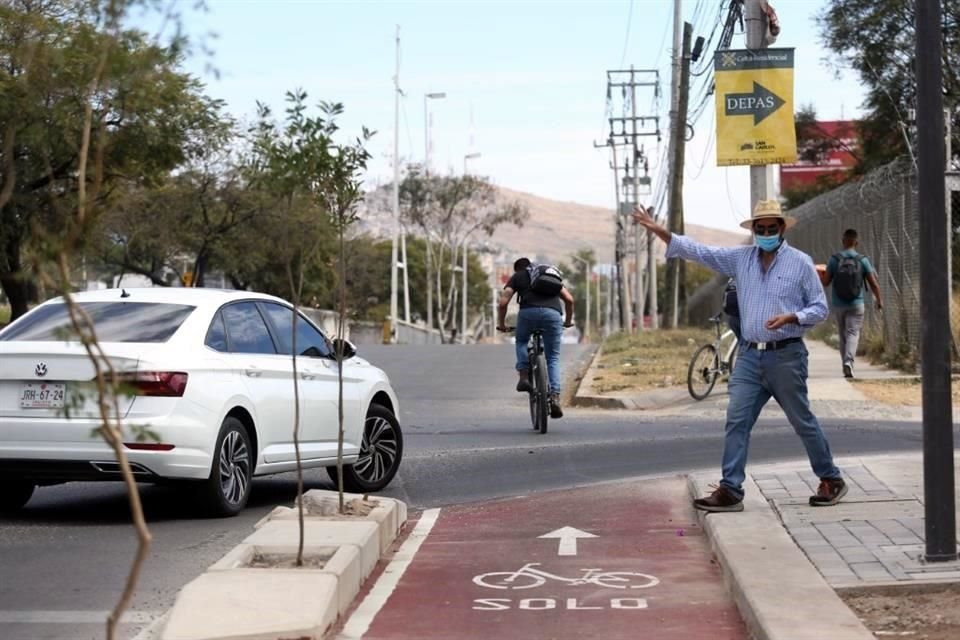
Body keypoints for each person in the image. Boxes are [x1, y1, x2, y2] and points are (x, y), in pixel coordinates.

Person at [633, 200, 847, 512]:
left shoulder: (800, 263)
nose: (765, 234)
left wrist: (791, 317)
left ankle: (831, 478)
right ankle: (731, 489)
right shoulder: (741, 259)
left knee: (802, 420)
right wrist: (660, 232)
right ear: (753, 231)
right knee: (737, 420)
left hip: (786, 356)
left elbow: (819, 308)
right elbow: (700, 251)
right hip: (749, 357)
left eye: (771, 229)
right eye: (759, 230)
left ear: (782, 229)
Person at [497, 257, 575, 419]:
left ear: (518, 268)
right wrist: (567, 322)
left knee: (522, 341)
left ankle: (524, 376)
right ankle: (554, 396)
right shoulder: (547, 274)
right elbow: (569, 299)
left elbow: (503, 302)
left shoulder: (518, 276)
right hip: (553, 315)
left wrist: (502, 324)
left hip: (528, 314)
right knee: (552, 358)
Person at [820, 229, 883, 379]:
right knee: (853, 333)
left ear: (843, 241)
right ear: (856, 242)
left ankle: (845, 365)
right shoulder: (862, 260)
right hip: (857, 303)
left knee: (843, 335)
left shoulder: (834, 259)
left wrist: (821, 273)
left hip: (839, 304)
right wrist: (879, 301)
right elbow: (874, 284)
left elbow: (826, 282)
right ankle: (849, 362)